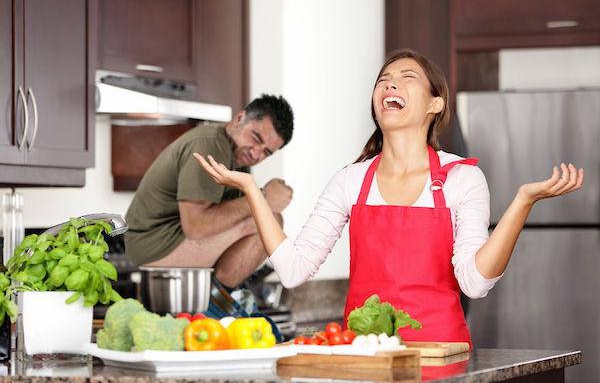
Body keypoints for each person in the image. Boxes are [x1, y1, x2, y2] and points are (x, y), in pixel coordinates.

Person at [194, 49, 584, 347]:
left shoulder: (461, 178)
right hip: (366, 356)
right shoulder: (351, 180)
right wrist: (251, 191)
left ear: (436, 104)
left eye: (407, 77)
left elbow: (475, 282)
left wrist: (521, 203)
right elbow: (294, 270)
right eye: (384, 79)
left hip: (440, 353)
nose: (390, 84)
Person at [124, 94, 295, 292]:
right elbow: (196, 227)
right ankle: (215, 300)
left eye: (266, 152)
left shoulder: (238, 158)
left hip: (166, 242)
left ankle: (217, 297)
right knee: (267, 219)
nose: (256, 153)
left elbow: (229, 217)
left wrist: (260, 199)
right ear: (240, 118)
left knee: (268, 218)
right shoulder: (209, 145)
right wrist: (262, 198)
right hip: (151, 245)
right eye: (256, 138)